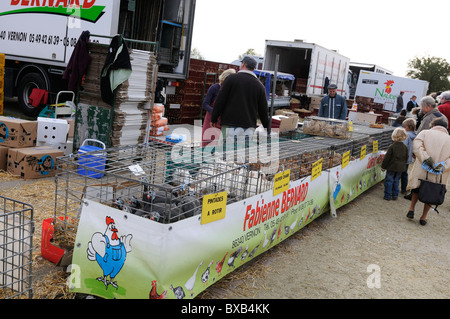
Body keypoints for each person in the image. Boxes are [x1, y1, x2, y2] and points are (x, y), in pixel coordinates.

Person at [211, 56, 269, 140]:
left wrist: (214, 118)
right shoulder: (259, 86)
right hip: (248, 127)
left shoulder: (231, 79)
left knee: (226, 151)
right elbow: (263, 110)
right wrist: (266, 127)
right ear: (254, 68)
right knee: (242, 152)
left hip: (229, 124)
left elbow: (220, 100)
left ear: (243, 64)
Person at [406, 117, 450, 226]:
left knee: (416, 188)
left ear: (433, 125)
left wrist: (426, 161)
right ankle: (423, 217)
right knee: (432, 192)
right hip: (439, 173)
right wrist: (442, 166)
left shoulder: (424, 133)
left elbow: (417, 146)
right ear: (445, 127)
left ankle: (411, 209)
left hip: (422, 167)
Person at [201, 68, 236, 146]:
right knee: (207, 140)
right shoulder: (214, 88)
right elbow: (205, 103)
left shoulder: (232, 90)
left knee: (219, 143)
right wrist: (214, 112)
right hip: (211, 119)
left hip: (223, 121)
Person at [381, 127, 408, 201]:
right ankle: (395, 194)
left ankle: (387, 195)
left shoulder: (392, 147)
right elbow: (406, 157)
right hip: (400, 167)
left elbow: (387, 158)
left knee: (389, 181)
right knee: (396, 181)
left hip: (391, 167)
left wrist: (383, 166)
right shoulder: (405, 147)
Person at [401, 118, 417, 197]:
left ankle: (395, 189)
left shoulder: (406, 136)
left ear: (408, 127)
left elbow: (404, 146)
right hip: (409, 158)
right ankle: (404, 189)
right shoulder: (416, 135)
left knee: (398, 173)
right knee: (405, 173)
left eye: (404, 127)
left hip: (403, 158)